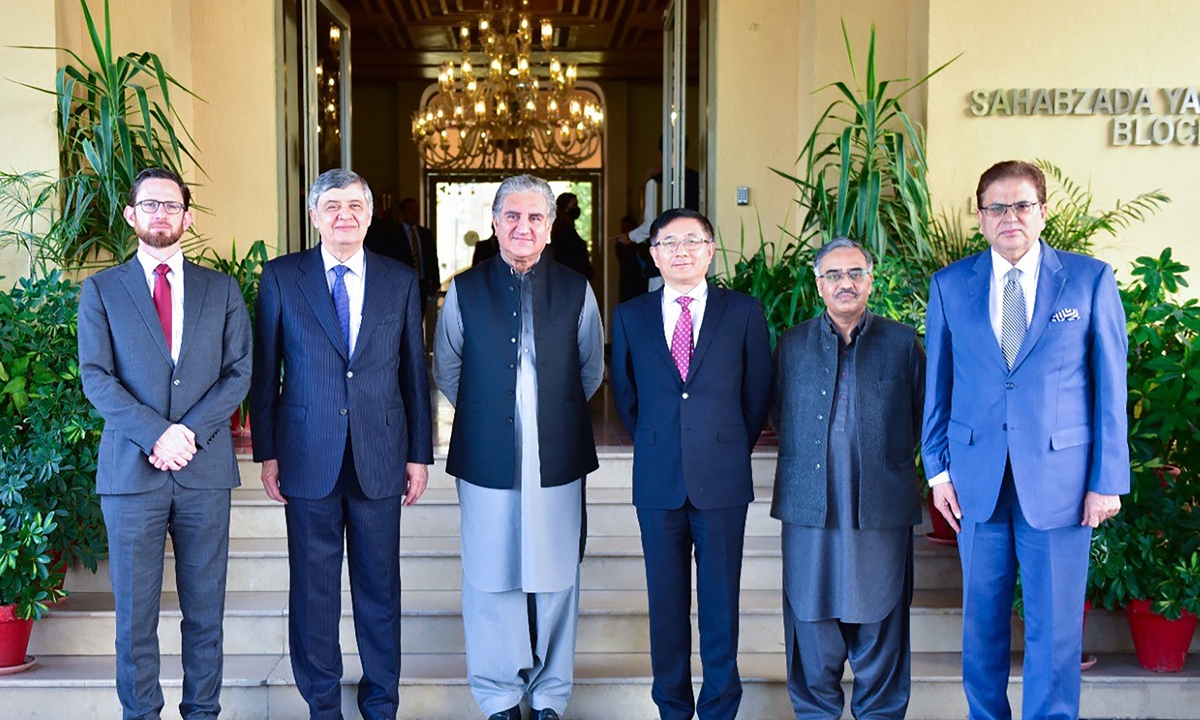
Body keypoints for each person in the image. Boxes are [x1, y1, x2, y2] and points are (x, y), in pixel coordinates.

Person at [923, 160, 1128, 720]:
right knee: (981, 627)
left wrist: (1107, 480)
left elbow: (1111, 387)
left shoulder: (1089, 280)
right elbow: (937, 385)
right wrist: (937, 471)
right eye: (996, 207)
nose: (1009, 217)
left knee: (1056, 631)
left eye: (1022, 205)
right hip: (976, 483)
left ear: (1043, 211)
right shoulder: (949, 285)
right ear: (980, 217)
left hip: (1060, 484)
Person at [250, 168, 433, 720]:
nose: (344, 215)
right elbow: (266, 373)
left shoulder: (399, 279)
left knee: (381, 593)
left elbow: (413, 374)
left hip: (381, 454)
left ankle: (381, 703)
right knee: (313, 594)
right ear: (313, 216)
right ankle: (322, 704)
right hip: (307, 455)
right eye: (332, 206)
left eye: (355, 205)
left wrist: (419, 453)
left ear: (370, 214)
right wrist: (267, 452)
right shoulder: (282, 277)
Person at [78, 167, 252, 720]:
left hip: (203, 473)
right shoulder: (101, 290)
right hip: (132, 474)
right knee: (135, 617)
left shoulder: (220, 289)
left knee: (206, 612)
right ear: (131, 215)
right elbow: (96, 376)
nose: (160, 215)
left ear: (187, 217)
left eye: (171, 206)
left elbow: (239, 371)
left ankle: (202, 712)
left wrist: (188, 434)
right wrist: (158, 434)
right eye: (149, 205)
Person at [433, 174, 604, 720]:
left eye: (535, 217)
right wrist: (493, 411)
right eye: (512, 216)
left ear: (551, 226)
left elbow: (590, 369)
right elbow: (447, 366)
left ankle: (550, 694)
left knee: (556, 573)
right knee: (490, 573)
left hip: (556, 450)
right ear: (495, 223)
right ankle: (500, 693)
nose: (523, 227)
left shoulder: (578, 288)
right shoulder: (464, 288)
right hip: (485, 448)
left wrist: (542, 414)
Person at [610, 208, 773, 720]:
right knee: (666, 605)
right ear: (653, 253)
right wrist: (662, 443)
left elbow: (756, 393)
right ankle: (673, 709)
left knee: (721, 605)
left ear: (710, 249)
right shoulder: (631, 315)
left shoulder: (743, 311)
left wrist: (722, 446)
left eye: (693, 240)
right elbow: (626, 396)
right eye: (669, 242)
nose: (681, 251)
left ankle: (721, 707)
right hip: (658, 478)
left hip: (722, 478)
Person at [770, 237, 925, 719]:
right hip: (809, 505)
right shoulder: (792, 344)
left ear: (871, 281)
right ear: (819, 285)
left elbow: (923, 414)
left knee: (882, 618)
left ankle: (880, 713)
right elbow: (778, 412)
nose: (845, 283)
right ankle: (816, 712)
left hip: (881, 505)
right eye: (834, 275)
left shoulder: (902, 342)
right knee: (810, 619)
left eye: (855, 273)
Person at [395, 197, 441, 307]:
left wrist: (435, 280)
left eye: (416, 210)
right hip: (402, 283)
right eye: (411, 210)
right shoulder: (394, 234)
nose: (415, 214)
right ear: (403, 213)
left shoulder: (425, 234)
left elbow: (432, 258)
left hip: (422, 283)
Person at [550, 192, 593, 279]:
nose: (577, 208)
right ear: (565, 208)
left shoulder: (566, 227)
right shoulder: (563, 230)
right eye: (574, 205)